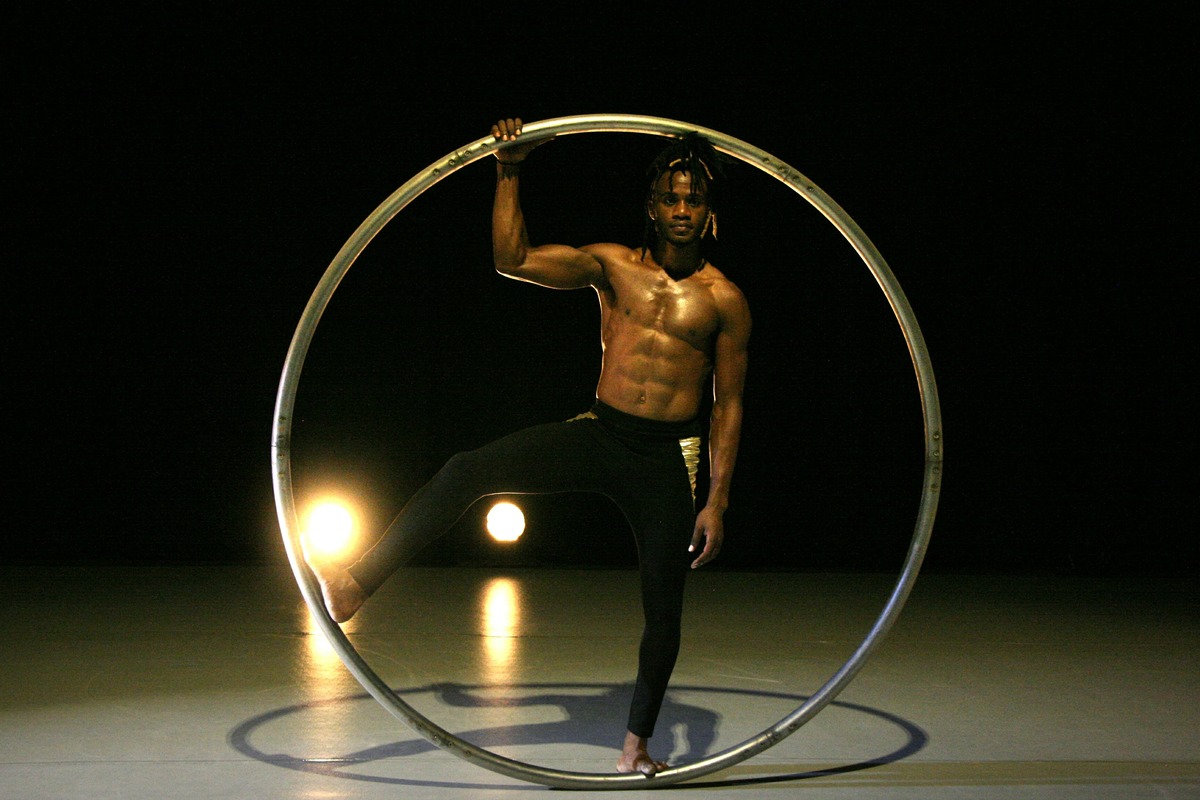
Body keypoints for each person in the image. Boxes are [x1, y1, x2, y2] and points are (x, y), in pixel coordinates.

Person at [306, 117, 751, 776]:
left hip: (667, 457)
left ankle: (636, 747)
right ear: (653, 208)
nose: (682, 210)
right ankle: (352, 587)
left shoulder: (726, 300)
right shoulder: (613, 267)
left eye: (694, 200)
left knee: (664, 606)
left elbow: (729, 404)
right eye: (671, 198)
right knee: (466, 470)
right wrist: (509, 168)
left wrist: (717, 500)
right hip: (602, 432)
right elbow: (510, 260)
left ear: (710, 212)